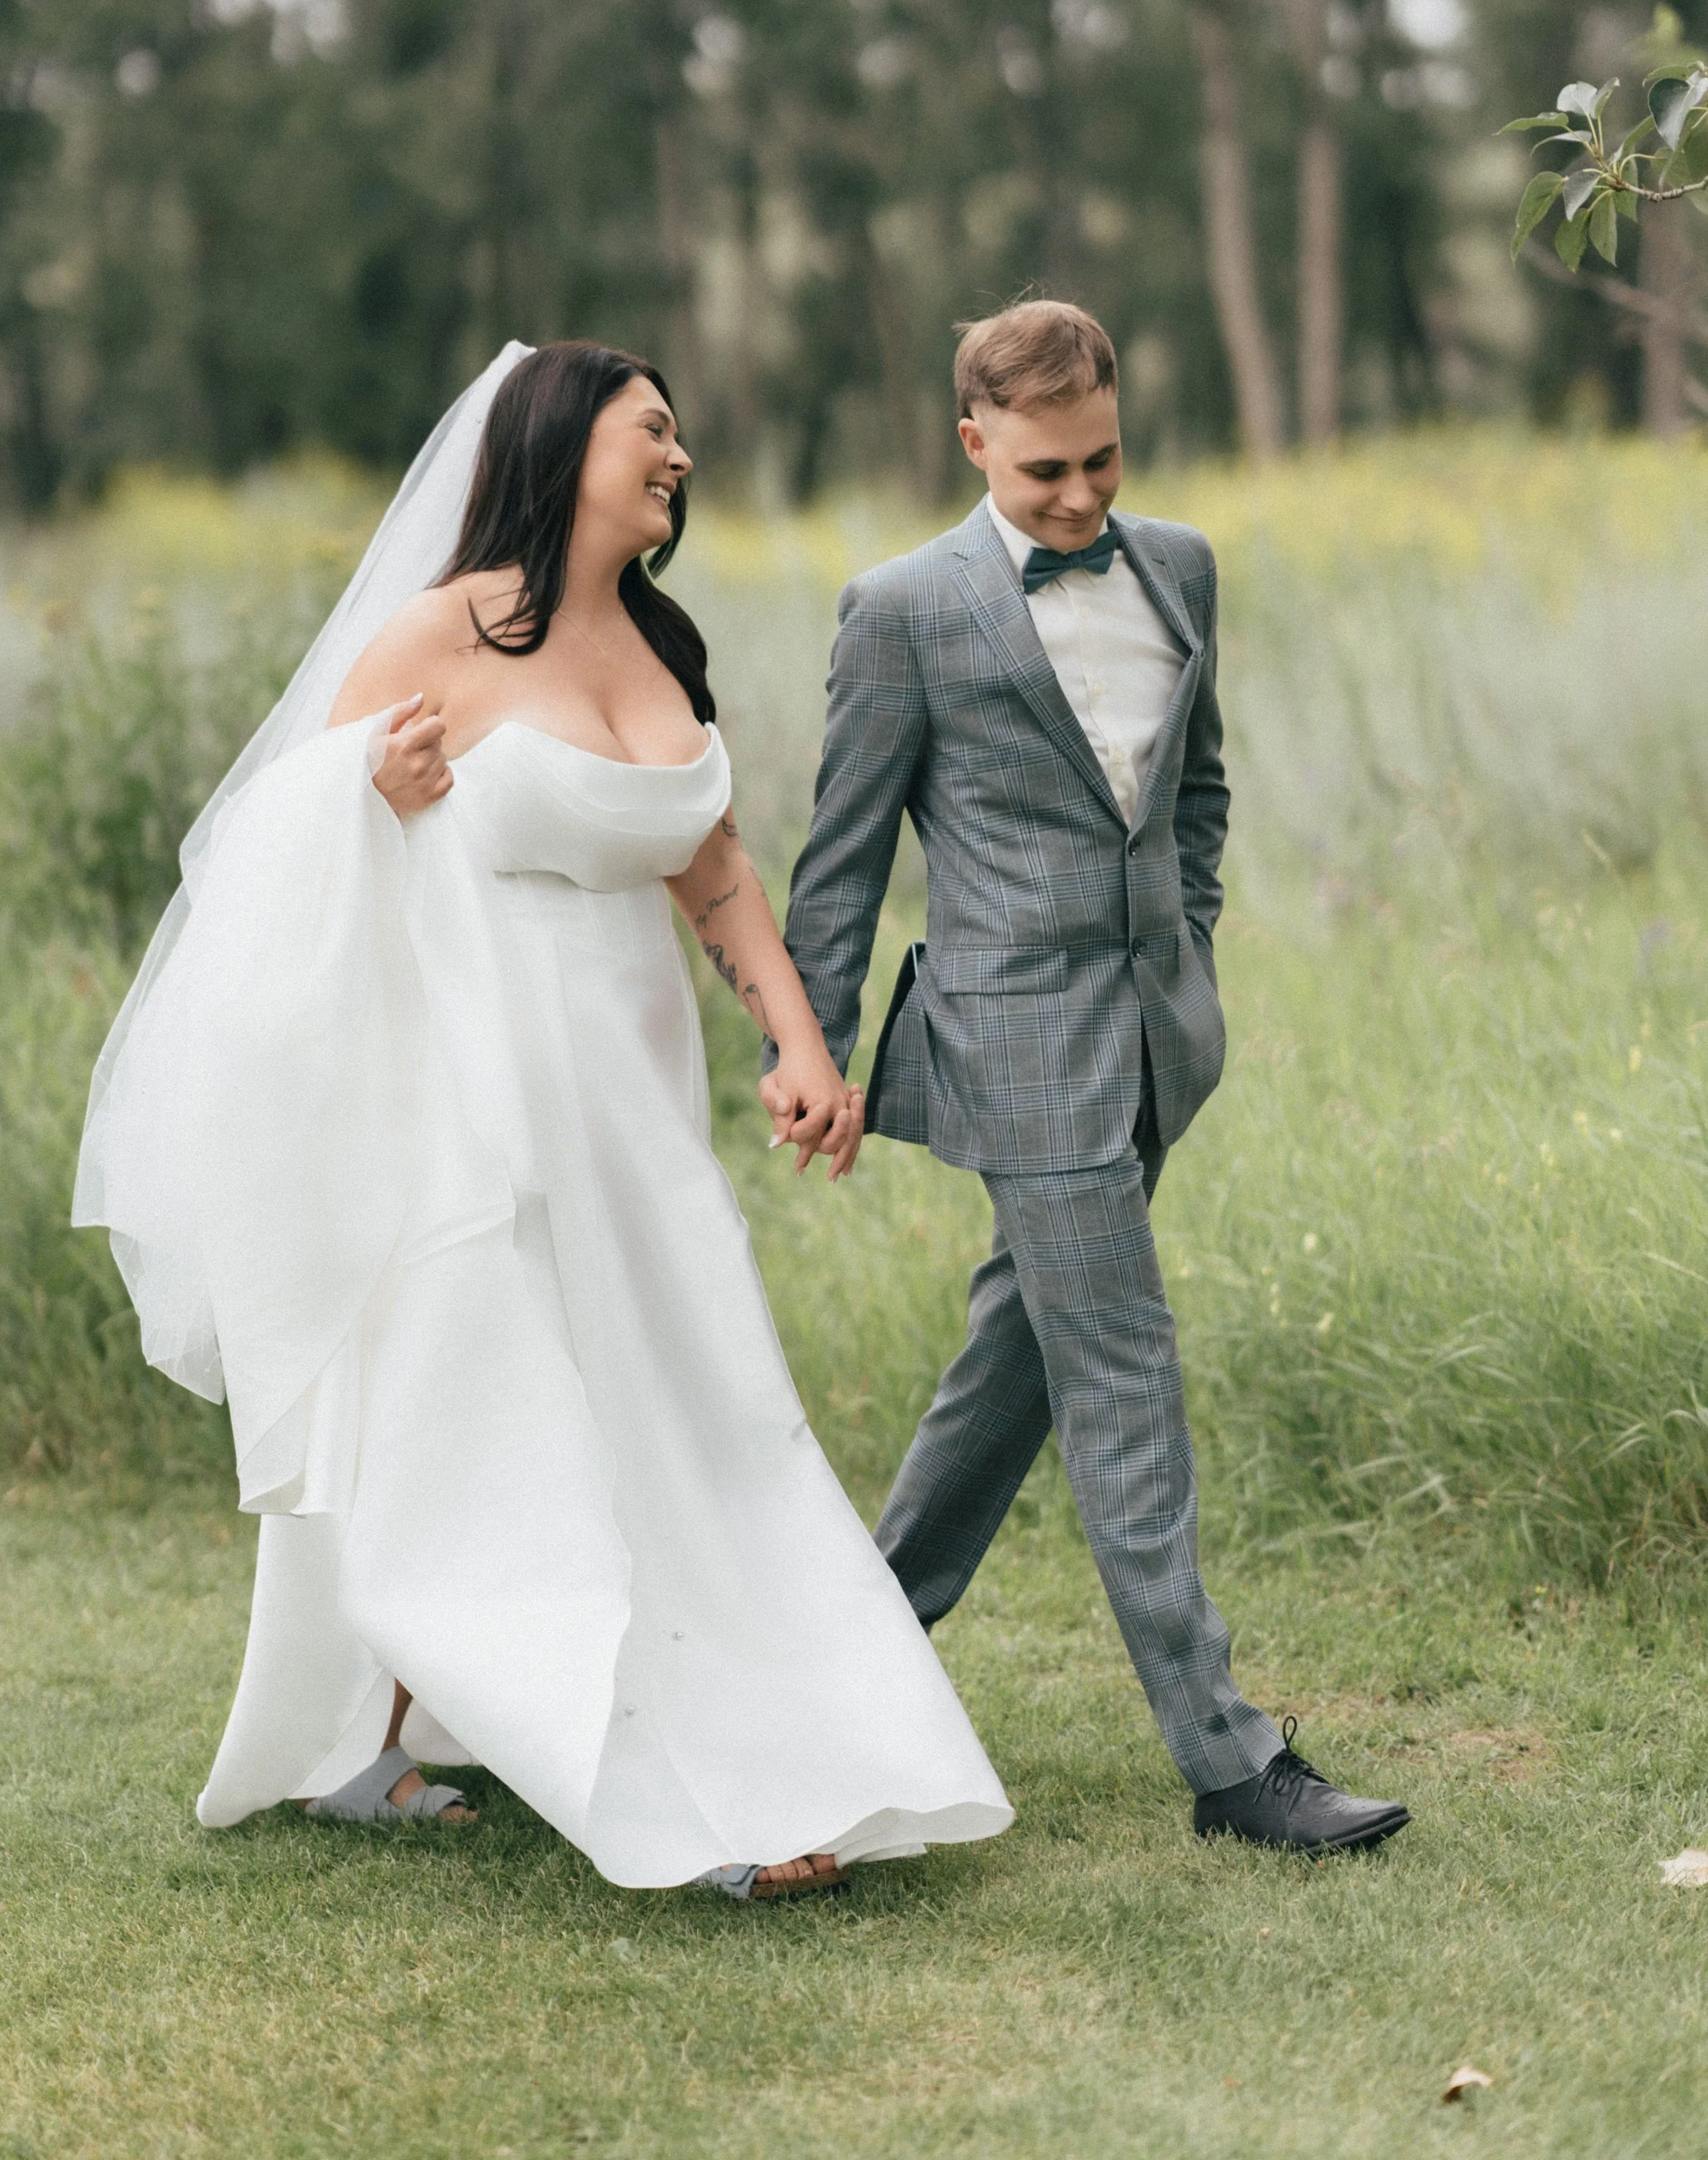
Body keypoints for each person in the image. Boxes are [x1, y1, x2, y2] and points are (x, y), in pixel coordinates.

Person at [75, 340, 1010, 1900]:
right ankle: (664, 1792)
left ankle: (699, 1730)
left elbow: (710, 872)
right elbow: (267, 846)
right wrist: (365, 782)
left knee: (708, 1404)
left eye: (680, 436)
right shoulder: (444, 630)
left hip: (634, 1111)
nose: (679, 458)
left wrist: (793, 1043)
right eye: (652, 430)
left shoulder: (660, 650)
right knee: (504, 1426)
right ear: (560, 440)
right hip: (477, 1100)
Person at [776, 299, 1408, 1856]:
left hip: (1150, 1042)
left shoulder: (1178, 564)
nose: (1078, 498)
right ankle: (1231, 1764)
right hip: (1013, 1051)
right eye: (1044, 470)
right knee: (1122, 1376)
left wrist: (1182, 946)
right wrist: (815, 1053)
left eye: (1101, 462)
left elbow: (1195, 789)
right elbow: (839, 863)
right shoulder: (901, 609)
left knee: (1019, 1364)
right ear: (973, 441)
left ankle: (824, 1671)